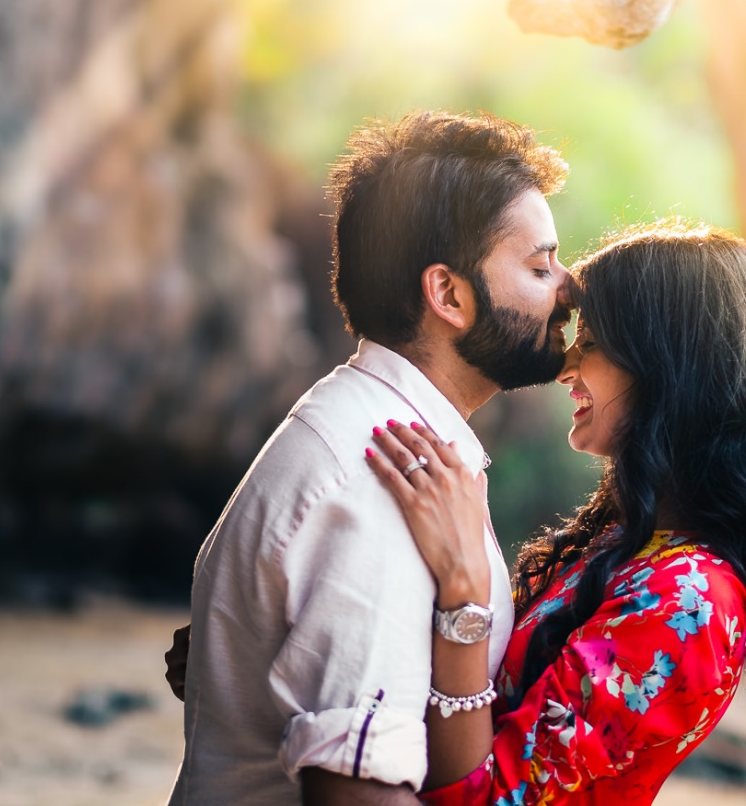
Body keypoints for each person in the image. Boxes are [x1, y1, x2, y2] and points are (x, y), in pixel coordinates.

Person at [166, 110, 577, 806]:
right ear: (447, 294)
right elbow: (355, 790)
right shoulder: (384, 476)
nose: (569, 286)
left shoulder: (385, 437)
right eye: (540, 265)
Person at [365, 222, 746, 804]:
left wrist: (464, 593)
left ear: (671, 369)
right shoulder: (632, 545)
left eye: (592, 341)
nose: (566, 366)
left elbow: (488, 799)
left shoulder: (691, 599)